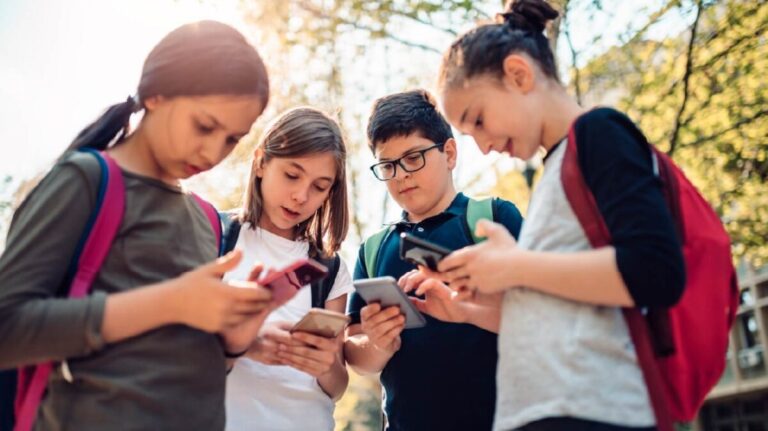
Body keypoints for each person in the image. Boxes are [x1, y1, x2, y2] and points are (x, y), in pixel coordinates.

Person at [0, 20, 272, 430]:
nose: (214, 151)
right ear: (156, 94)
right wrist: (171, 301)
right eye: (204, 126)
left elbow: (168, 364)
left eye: (233, 139)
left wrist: (233, 343)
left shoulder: (206, 219)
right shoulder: (88, 180)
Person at [430, 1, 686, 430]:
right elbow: (570, 304)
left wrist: (516, 266)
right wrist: (472, 308)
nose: (483, 145)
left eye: (478, 120)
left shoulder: (598, 132)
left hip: (593, 412)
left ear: (518, 75)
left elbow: (655, 269)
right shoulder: (556, 168)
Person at [344, 89, 524, 430]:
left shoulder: (494, 219)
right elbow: (356, 353)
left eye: (414, 158)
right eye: (387, 165)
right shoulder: (374, 248)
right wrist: (378, 342)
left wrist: (466, 305)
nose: (401, 175)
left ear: (450, 153)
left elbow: (543, 317)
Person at [224, 107, 353, 431]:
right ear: (261, 162)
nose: (301, 196)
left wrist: (324, 364)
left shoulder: (330, 267)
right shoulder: (214, 237)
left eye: (320, 186)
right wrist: (242, 343)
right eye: (292, 175)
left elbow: (336, 387)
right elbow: (174, 347)